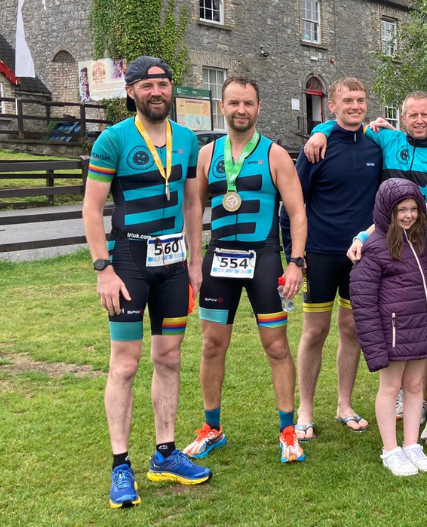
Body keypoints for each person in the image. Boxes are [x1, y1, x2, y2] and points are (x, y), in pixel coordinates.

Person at [82, 56, 210, 508]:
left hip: (174, 265)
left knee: (170, 357)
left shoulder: (189, 140)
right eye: (148, 84)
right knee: (126, 363)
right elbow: (91, 209)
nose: (158, 91)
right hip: (130, 261)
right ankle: (121, 465)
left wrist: (196, 260)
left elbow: (193, 206)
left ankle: (166, 454)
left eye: (164, 83)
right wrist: (104, 269)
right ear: (131, 92)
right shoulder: (113, 140)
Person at [182, 77, 306, 464]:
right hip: (218, 259)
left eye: (248, 103)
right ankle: (212, 428)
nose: (241, 109)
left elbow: (299, 212)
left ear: (258, 107)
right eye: (234, 102)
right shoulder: (207, 155)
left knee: (276, 346)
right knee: (211, 345)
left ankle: (288, 431)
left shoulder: (275, 154)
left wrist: (297, 261)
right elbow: (194, 208)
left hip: (265, 259)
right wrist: (193, 259)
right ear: (223, 105)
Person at [278, 77, 382, 439]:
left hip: (360, 255)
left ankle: (344, 404)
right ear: (332, 106)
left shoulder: (375, 147)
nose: (355, 105)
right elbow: (292, 204)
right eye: (347, 100)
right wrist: (294, 254)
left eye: (361, 99)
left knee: (351, 329)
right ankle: (305, 409)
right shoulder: (315, 148)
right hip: (319, 254)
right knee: (315, 331)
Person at [350, 179, 427, 476]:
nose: (408, 215)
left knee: (416, 387)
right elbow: (363, 302)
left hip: (420, 327)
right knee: (390, 388)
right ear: (385, 211)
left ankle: (411, 444)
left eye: (413, 208)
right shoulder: (373, 246)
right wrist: (375, 346)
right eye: (400, 209)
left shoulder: (424, 240)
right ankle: (390, 449)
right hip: (392, 332)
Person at [301, 91, 427, 205]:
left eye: (424, 115)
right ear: (403, 119)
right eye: (413, 115)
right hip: (384, 240)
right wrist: (321, 131)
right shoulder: (387, 138)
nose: (419, 120)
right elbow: (350, 123)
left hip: (425, 241)